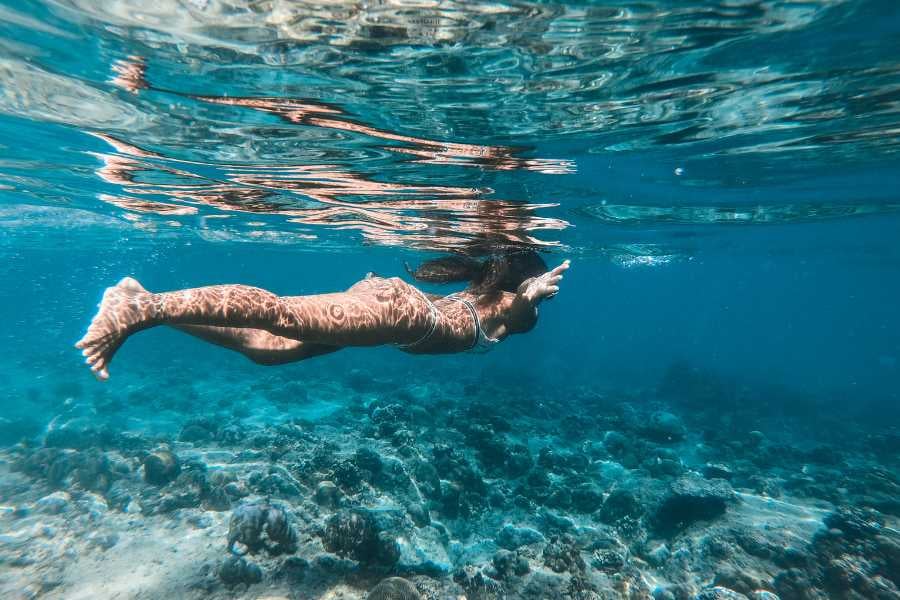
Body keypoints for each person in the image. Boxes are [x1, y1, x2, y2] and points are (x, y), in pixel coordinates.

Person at [75, 252, 569, 380]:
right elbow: (523, 306)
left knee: (268, 352)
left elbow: (520, 308)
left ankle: (147, 299)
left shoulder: (486, 298)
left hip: (392, 320)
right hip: (401, 315)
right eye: (538, 292)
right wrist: (533, 292)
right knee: (282, 316)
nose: (542, 303)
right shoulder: (514, 307)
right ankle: (141, 308)